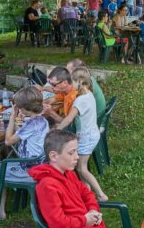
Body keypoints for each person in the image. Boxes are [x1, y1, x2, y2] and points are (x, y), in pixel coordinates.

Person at [0, 87, 51, 226]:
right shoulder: (41, 120)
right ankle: (1, 212)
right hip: (38, 165)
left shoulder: (30, 124)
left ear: (23, 109)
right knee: (0, 166)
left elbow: (8, 141)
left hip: (29, 169)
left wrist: (11, 118)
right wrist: (17, 123)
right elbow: (21, 135)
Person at [30, 130, 106, 228]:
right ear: (53, 156)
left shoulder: (70, 174)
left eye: (76, 151)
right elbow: (57, 223)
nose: (77, 157)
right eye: (71, 153)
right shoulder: (47, 186)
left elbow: (87, 194)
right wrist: (85, 220)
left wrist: (93, 210)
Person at [54, 67, 108, 201]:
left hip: (87, 137)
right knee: (80, 168)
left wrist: (57, 129)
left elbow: (69, 119)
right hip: (91, 134)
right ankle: (87, 195)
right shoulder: (89, 94)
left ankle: (101, 195)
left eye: (72, 81)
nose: (70, 84)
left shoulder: (80, 100)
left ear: (79, 82)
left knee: (82, 168)